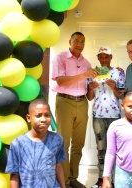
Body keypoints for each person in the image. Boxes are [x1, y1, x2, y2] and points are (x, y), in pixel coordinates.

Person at [51, 32, 98, 188]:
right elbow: (61, 82)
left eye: (82, 42)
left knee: (78, 143)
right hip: (64, 101)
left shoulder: (86, 63)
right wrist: (84, 74)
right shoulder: (60, 58)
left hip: (82, 102)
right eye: (76, 41)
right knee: (63, 143)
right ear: (70, 42)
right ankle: (63, 180)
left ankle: (73, 178)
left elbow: (90, 95)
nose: (79, 44)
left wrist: (92, 87)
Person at [86, 46, 126, 188]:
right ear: (98, 58)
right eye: (101, 57)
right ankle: (101, 179)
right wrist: (90, 89)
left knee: (114, 149)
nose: (104, 59)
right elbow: (89, 98)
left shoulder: (119, 73)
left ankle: (114, 179)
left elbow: (122, 96)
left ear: (111, 57)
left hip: (114, 116)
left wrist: (114, 87)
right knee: (101, 148)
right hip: (98, 116)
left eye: (106, 56)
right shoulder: (92, 74)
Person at [5, 98, 66, 188]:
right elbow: (14, 175)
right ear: (29, 118)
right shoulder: (18, 144)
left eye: (47, 115)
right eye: (38, 115)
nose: (43, 119)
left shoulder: (57, 139)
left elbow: (58, 166)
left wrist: (63, 186)